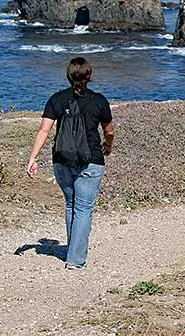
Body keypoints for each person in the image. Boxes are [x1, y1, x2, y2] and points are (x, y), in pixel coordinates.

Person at [26, 56, 114, 269]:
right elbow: (109, 130)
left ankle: (72, 249)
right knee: (83, 208)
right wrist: (108, 145)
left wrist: (33, 158)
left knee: (71, 205)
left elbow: (44, 130)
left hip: (61, 160)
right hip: (91, 160)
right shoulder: (99, 100)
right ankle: (75, 259)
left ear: (68, 76)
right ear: (89, 76)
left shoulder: (56, 99)